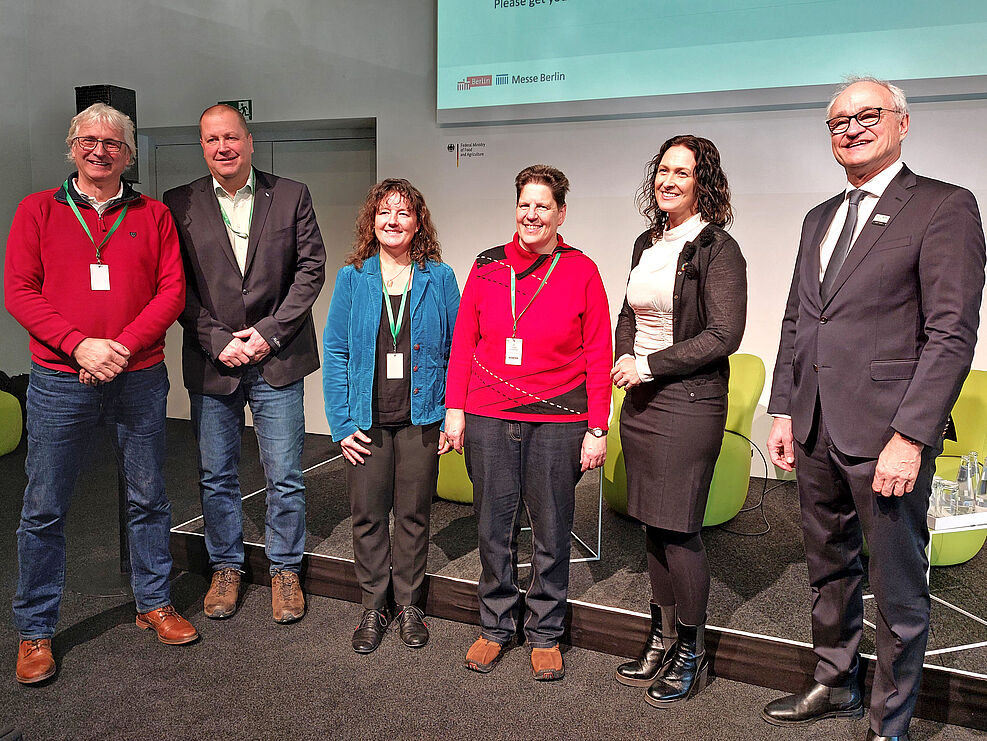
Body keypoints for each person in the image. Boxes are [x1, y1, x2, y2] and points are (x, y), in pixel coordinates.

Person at [763, 77, 985, 741]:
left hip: (887, 435)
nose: (852, 127)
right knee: (826, 565)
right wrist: (782, 407)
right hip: (813, 426)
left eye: (867, 115)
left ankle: (888, 719)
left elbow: (951, 333)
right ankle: (834, 680)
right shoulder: (817, 217)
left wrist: (911, 435)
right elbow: (797, 316)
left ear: (902, 122)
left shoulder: (944, 207)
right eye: (838, 120)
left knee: (895, 585)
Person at [5, 103, 197, 684]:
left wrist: (120, 347)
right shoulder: (37, 210)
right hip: (61, 377)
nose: (100, 150)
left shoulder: (155, 214)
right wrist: (79, 346)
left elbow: (172, 293)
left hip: (137, 376)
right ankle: (35, 630)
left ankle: (154, 602)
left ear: (129, 154)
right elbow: (19, 291)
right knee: (44, 507)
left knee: (149, 495)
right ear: (72, 147)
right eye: (89, 141)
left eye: (113, 143)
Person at [444, 164, 612, 681]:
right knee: (493, 527)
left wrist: (597, 427)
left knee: (552, 527)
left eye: (543, 205)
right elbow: (464, 342)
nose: (531, 214)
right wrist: (455, 410)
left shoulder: (581, 269)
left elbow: (598, 350)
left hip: (559, 418)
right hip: (489, 415)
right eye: (524, 204)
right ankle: (495, 625)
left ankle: (544, 631)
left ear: (561, 213)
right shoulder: (487, 265)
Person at [163, 104, 326, 625]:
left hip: (277, 357)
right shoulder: (178, 202)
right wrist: (216, 339)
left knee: (284, 474)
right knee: (216, 475)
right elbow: (176, 287)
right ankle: (226, 566)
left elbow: (310, 271)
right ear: (203, 146)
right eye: (211, 140)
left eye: (231, 137)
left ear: (250, 141)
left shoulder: (292, 194)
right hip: (215, 361)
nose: (222, 148)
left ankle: (285, 570)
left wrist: (268, 334)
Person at [611, 135, 746, 706]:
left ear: (702, 183)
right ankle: (660, 637)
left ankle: (692, 651)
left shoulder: (718, 248)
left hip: (689, 402)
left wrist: (648, 364)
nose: (668, 180)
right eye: (663, 170)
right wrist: (624, 356)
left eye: (682, 172)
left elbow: (723, 335)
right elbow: (629, 312)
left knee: (680, 527)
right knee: (652, 523)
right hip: (643, 401)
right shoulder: (648, 240)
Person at [322, 178, 460, 653]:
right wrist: (341, 423)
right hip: (366, 419)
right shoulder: (353, 277)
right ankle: (373, 605)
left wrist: (450, 415)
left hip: (422, 415)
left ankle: (409, 604)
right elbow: (336, 350)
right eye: (384, 212)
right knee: (367, 515)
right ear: (372, 221)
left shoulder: (438, 277)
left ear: (418, 222)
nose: (393, 221)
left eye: (403, 213)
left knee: (415, 515)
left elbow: (458, 349)